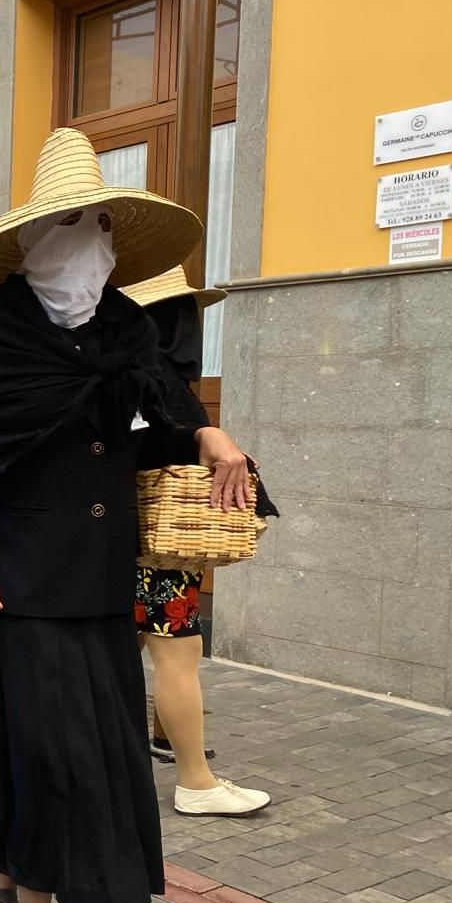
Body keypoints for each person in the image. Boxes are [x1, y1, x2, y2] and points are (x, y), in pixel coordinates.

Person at [0, 128, 252, 903]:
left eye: (103, 224)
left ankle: (1, 878)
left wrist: (206, 434)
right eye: (75, 223)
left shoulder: (119, 328)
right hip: (13, 585)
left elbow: (146, 421)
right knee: (47, 758)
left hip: (99, 577)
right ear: (32, 240)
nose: (93, 241)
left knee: (83, 748)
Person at [125, 266, 271, 817]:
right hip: (157, 549)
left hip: (145, 544)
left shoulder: (146, 375)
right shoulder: (149, 378)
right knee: (179, 654)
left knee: (131, 655)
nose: (191, 325)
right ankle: (195, 780)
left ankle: (126, 766)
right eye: (182, 312)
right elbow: (147, 446)